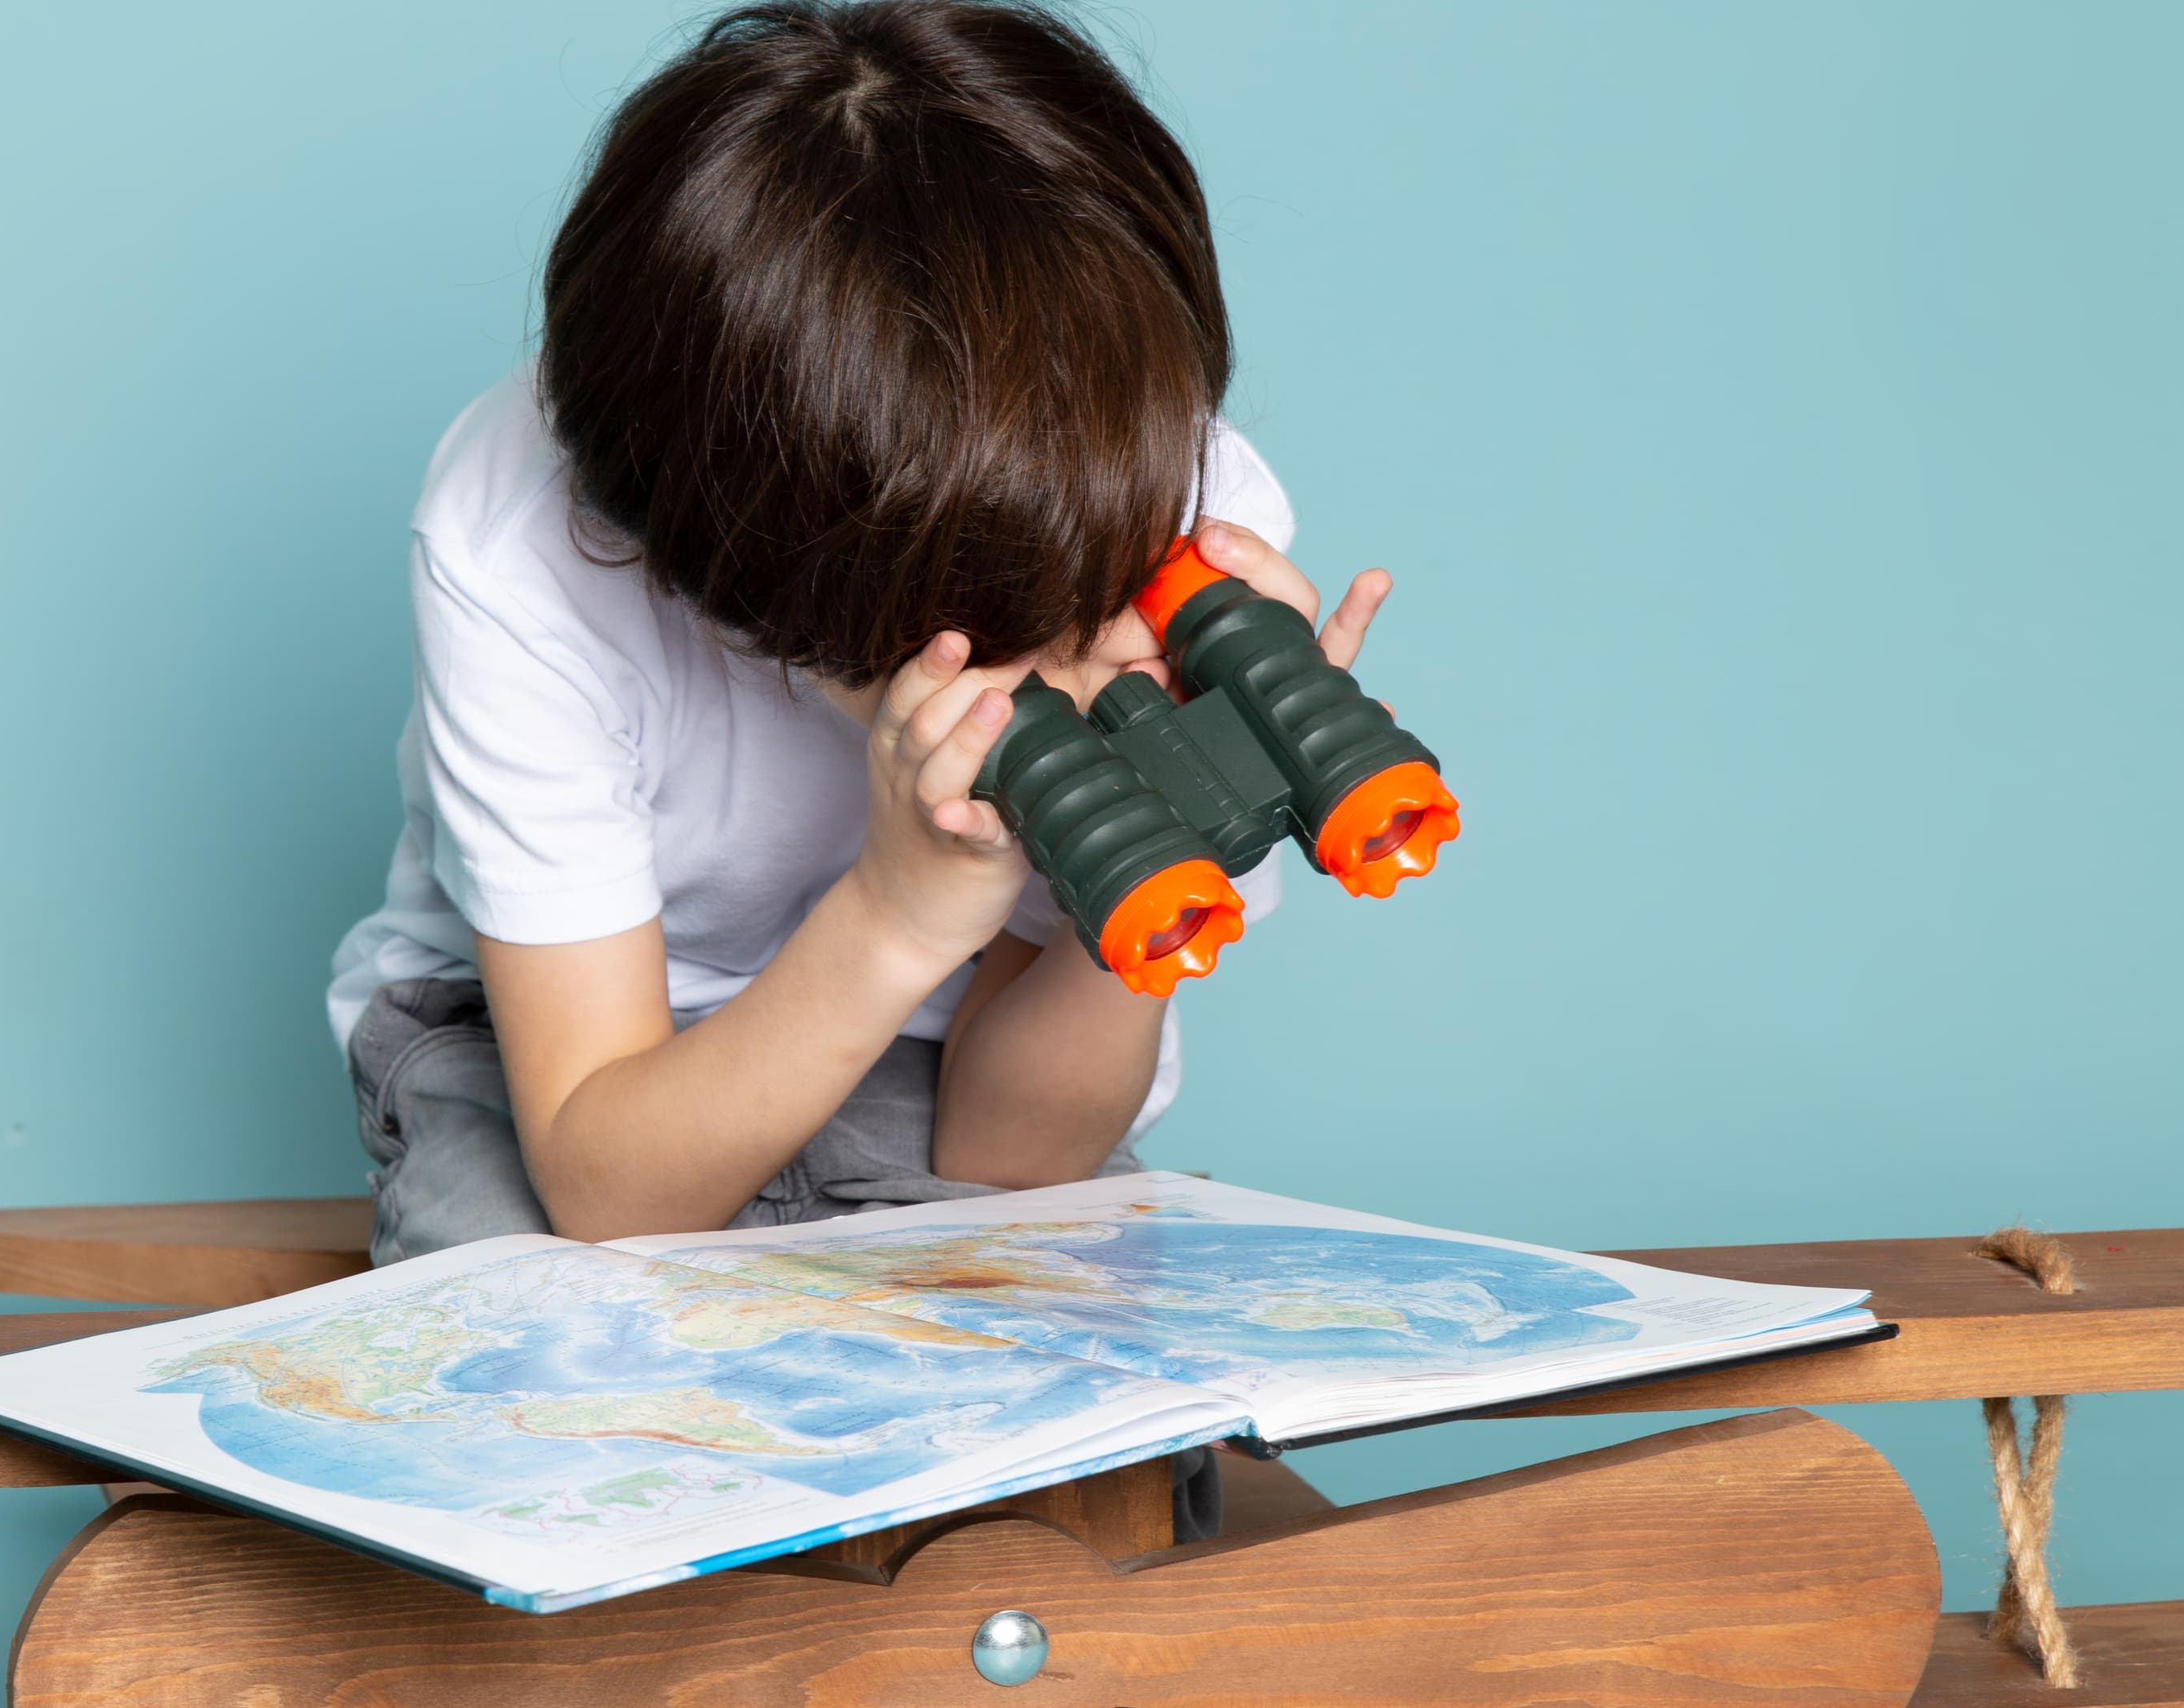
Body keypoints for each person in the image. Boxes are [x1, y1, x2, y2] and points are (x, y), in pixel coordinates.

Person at [326, 3, 1391, 1541]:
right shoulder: (525, 541)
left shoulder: (1169, 510)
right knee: (555, 1412)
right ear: (704, 575)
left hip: (955, 1060)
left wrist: (1176, 831)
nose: (1035, 667)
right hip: (560, 1063)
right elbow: (613, 1192)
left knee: (1068, 1462)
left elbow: (1012, 1161)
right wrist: (900, 909)